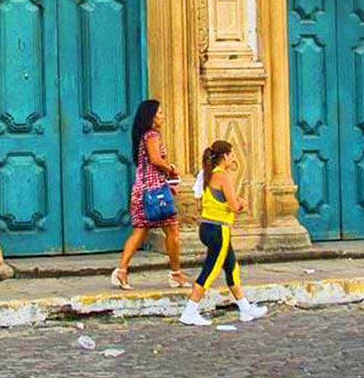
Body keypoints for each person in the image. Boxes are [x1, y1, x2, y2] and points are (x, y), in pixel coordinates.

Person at [179, 140, 267, 326]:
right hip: (219, 229)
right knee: (209, 272)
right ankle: (190, 311)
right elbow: (234, 206)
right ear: (225, 156)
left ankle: (245, 309)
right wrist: (242, 203)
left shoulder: (207, 174)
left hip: (207, 227)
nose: (233, 158)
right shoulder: (224, 176)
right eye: (232, 154)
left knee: (231, 267)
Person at [111, 100, 189, 290]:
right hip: (154, 192)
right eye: (160, 113)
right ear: (152, 116)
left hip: (143, 190)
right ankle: (176, 274)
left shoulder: (143, 136)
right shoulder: (152, 135)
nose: (162, 116)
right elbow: (155, 160)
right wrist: (171, 169)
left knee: (140, 231)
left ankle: (121, 271)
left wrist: (167, 182)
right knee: (172, 231)